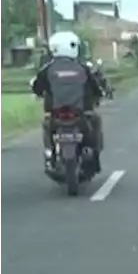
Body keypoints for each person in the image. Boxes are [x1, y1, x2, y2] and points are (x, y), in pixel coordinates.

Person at [31, 31, 105, 174]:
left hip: (55, 114)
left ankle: (49, 153)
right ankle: (94, 154)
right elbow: (95, 87)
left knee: (46, 126)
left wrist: (39, 94)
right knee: (96, 121)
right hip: (81, 113)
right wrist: (99, 96)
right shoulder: (83, 68)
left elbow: (37, 88)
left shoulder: (47, 69)